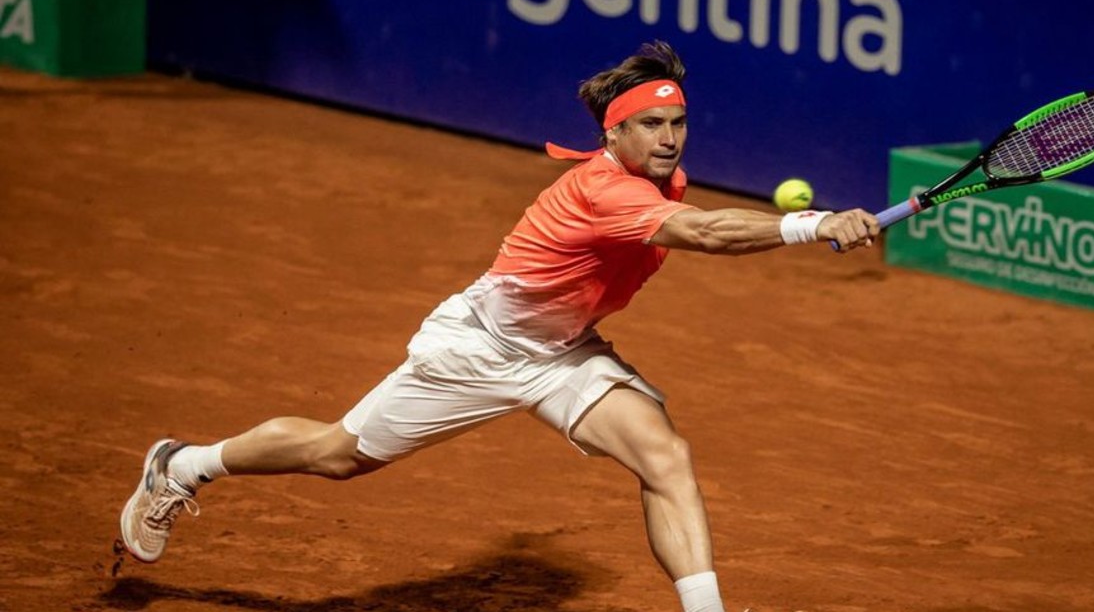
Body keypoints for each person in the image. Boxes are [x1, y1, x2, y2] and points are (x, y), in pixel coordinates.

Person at [119, 40, 879, 612]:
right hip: (478, 349)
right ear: (615, 135)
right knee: (338, 454)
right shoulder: (603, 188)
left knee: (665, 454)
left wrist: (800, 227)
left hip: (562, 352)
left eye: (678, 122)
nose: (670, 138)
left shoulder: (662, 179)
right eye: (651, 124)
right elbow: (709, 234)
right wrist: (810, 227)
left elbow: (701, 223)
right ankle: (184, 464)